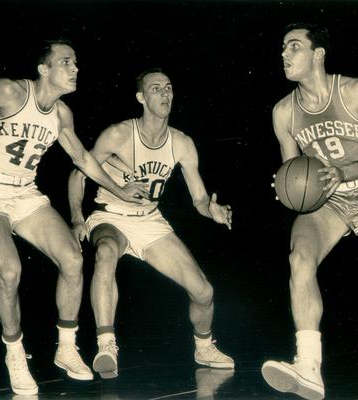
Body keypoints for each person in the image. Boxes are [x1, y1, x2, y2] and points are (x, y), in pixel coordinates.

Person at [0, 40, 148, 395]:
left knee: (73, 259)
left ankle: (67, 348)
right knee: (9, 271)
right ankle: (14, 353)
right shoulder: (7, 90)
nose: (75, 68)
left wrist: (120, 191)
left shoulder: (61, 115)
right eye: (66, 62)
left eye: (76, 62)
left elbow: (84, 160)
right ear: (44, 69)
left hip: (25, 193)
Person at [260, 24, 358, 400]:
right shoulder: (283, 112)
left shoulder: (354, 91)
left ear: (318, 54)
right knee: (300, 258)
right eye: (282, 47)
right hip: (327, 200)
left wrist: (343, 172)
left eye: (293, 46)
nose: (284, 53)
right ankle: (309, 366)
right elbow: (292, 171)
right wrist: (286, 187)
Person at [68, 68, 234, 379]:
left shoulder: (182, 143)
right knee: (105, 253)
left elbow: (199, 198)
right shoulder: (118, 134)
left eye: (169, 88)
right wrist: (77, 217)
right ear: (141, 97)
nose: (165, 93)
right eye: (156, 88)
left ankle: (204, 345)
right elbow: (78, 173)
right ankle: (106, 345)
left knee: (204, 292)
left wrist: (210, 210)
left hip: (150, 220)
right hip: (110, 216)